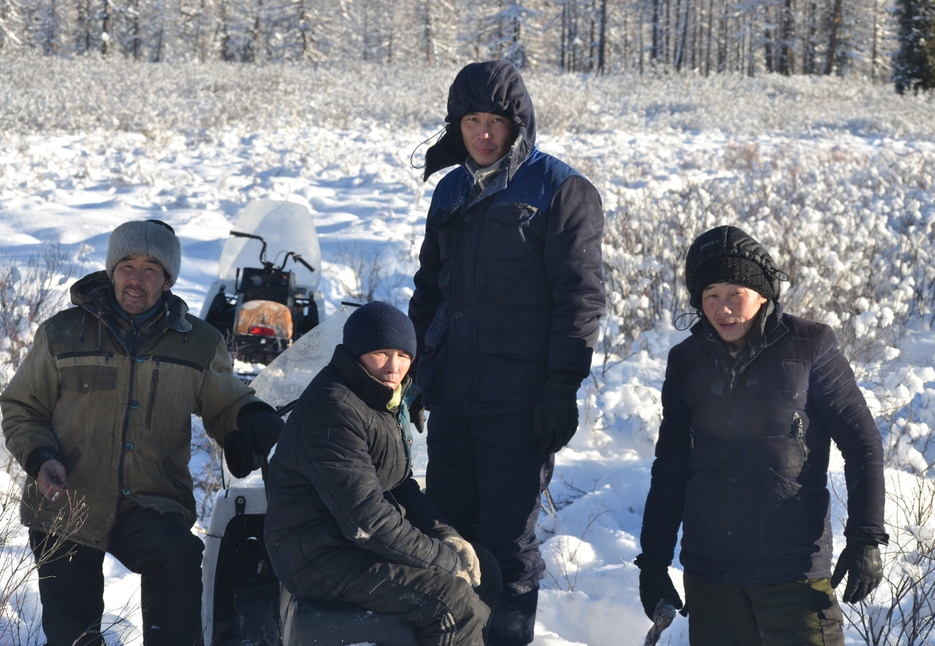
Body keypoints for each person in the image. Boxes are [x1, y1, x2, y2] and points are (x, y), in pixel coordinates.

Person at [0, 219, 283, 646]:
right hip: (67, 501)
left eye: (151, 268)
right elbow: (23, 407)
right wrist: (41, 457)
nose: (136, 279)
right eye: (127, 265)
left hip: (150, 502)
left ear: (167, 279)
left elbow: (226, 401)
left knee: (179, 557)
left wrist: (250, 421)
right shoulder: (62, 333)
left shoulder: (198, 343)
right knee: (71, 635)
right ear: (112, 270)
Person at [408, 60, 606, 645]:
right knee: (444, 531)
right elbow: (429, 288)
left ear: (519, 124)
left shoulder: (561, 190)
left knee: (506, 541)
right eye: (473, 120)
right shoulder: (450, 189)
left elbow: (580, 298)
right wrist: (414, 372)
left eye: (497, 121)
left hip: (519, 402)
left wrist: (560, 388)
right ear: (457, 125)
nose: (485, 134)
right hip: (453, 395)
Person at [636, 225, 888, 645]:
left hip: (793, 574)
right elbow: (670, 471)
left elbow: (862, 443)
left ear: (764, 294)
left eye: (735, 293)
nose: (723, 309)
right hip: (712, 578)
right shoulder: (686, 362)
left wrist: (866, 535)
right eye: (711, 295)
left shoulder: (810, 347)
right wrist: (653, 563)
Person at [264, 300, 500, 645]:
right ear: (355, 353)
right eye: (381, 353)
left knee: (485, 569)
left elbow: (399, 485)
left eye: (404, 356)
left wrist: (448, 537)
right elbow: (367, 522)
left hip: (347, 540)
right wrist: (443, 561)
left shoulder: (380, 398)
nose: (394, 367)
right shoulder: (334, 408)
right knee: (452, 603)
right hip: (317, 554)